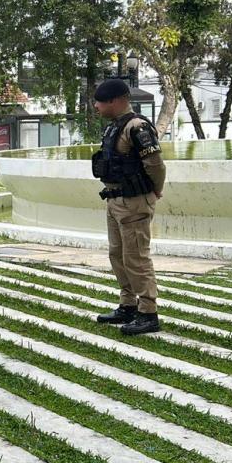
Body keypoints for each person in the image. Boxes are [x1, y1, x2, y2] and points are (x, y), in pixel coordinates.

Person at [91, 79, 166, 335]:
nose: (96, 106)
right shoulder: (114, 127)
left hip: (134, 201)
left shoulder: (137, 127)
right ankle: (128, 304)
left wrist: (155, 190)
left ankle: (148, 312)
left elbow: (155, 165)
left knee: (136, 257)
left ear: (115, 101)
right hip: (115, 199)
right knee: (118, 255)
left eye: (100, 101)